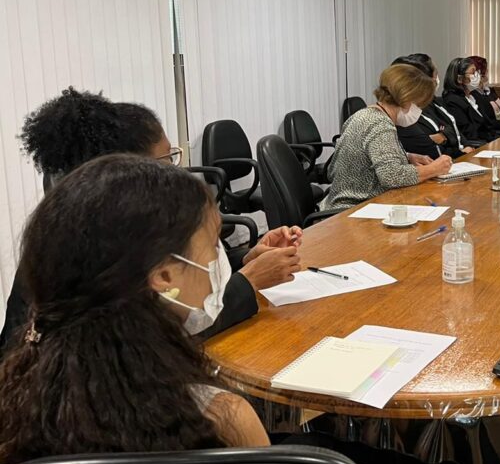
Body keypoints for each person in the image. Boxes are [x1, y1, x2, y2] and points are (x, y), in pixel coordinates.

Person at [0, 156, 270, 464]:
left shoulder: (13, 409)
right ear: (164, 277)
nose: (219, 259)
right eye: (213, 244)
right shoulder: (225, 420)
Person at [0, 88, 302, 356]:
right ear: (127, 173)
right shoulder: (97, 257)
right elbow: (173, 333)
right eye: (165, 160)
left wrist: (246, 260)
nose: (174, 171)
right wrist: (249, 281)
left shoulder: (107, 226)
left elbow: (183, 282)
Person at [321, 64, 452, 210]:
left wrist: (406, 156)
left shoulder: (365, 114)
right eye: (419, 104)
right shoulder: (380, 124)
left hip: (343, 202)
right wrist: (434, 169)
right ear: (407, 99)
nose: (419, 110)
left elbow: (356, 160)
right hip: (352, 209)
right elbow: (391, 176)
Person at [392, 55, 474, 159]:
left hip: (457, 159)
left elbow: (452, 128)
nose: (436, 80)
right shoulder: (404, 115)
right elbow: (431, 151)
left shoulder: (435, 101)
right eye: (435, 75)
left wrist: (444, 136)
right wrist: (461, 151)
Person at [440, 57, 498, 143]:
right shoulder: (452, 101)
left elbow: (489, 123)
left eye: (477, 72)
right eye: (473, 72)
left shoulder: (474, 95)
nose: (477, 75)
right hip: (479, 145)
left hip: (492, 140)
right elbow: (468, 133)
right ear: (460, 78)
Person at [467, 55, 500, 133]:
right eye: (485, 70)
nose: (487, 71)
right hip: (499, 128)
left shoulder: (488, 90)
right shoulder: (474, 94)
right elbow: (488, 121)